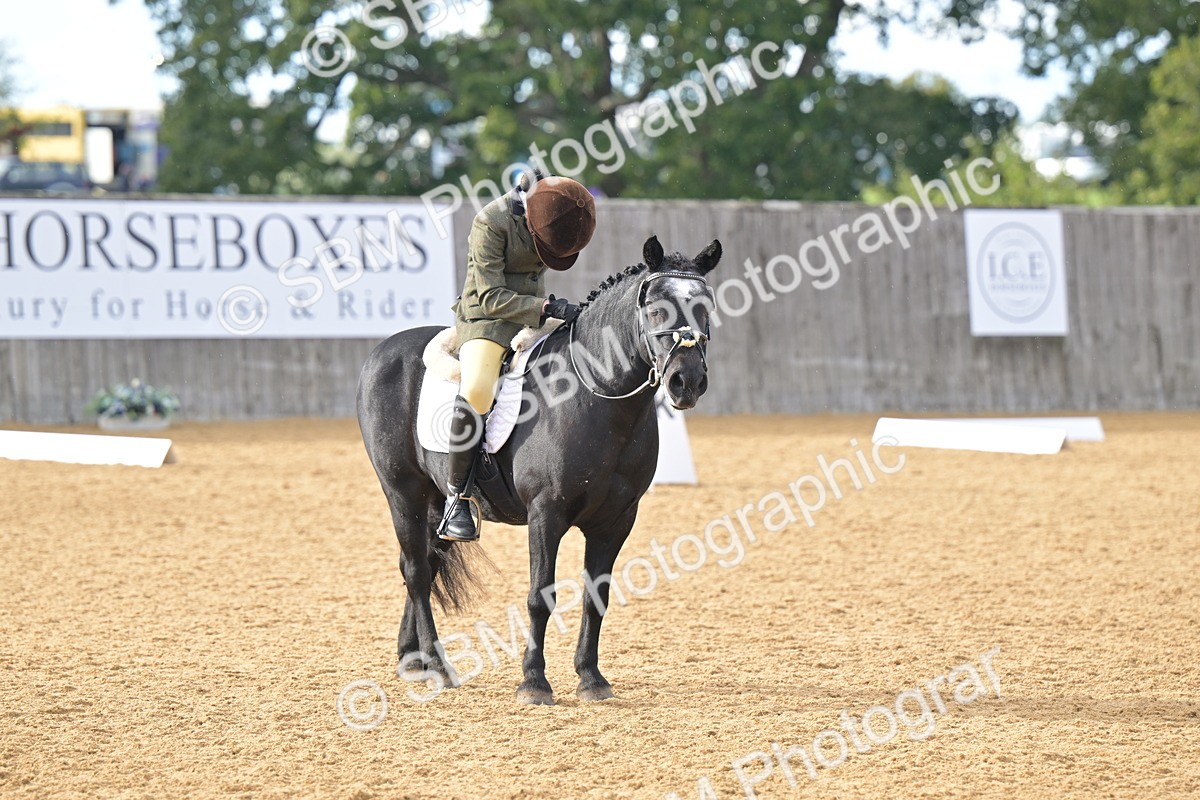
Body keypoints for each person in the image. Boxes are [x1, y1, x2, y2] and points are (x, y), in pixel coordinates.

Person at [439, 174, 597, 541]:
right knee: (478, 389)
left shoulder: (555, 211)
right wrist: (545, 307)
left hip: (535, 317)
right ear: (528, 221)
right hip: (487, 319)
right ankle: (456, 498)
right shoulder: (489, 223)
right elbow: (491, 295)